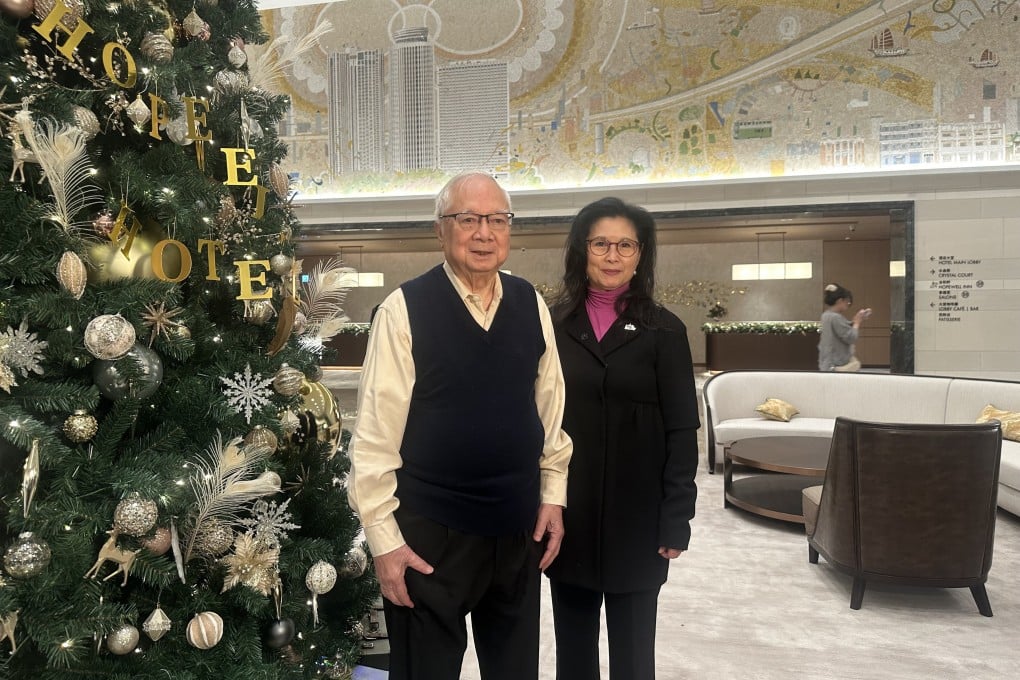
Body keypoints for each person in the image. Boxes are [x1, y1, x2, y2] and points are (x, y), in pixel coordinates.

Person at [347, 171, 573, 680]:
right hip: (430, 537)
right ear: (440, 229)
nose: (484, 233)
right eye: (468, 219)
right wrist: (384, 542)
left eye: (497, 219)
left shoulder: (530, 303)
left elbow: (551, 410)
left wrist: (553, 494)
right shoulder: (403, 309)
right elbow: (374, 438)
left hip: (516, 529)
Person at [546, 197, 700, 680]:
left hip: (640, 519)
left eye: (625, 245)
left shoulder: (665, 330)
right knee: (573, 653)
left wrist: (676, 517)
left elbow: (682, 431)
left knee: (634, 657)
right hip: (569, 513)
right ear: (582, 250)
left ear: (640, 254)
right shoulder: (552, 325)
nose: (612, 256)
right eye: (600, 244)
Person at [819, 283, 871, 372]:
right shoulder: (835, 317)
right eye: (847, 302)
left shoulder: (826, 315)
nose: (848, 304)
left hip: (828, 363)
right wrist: (857, 323)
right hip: (837, 365)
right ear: (840, 301)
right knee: (855, 365)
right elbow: (851, 338)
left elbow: (841, 329)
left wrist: (856, 319)